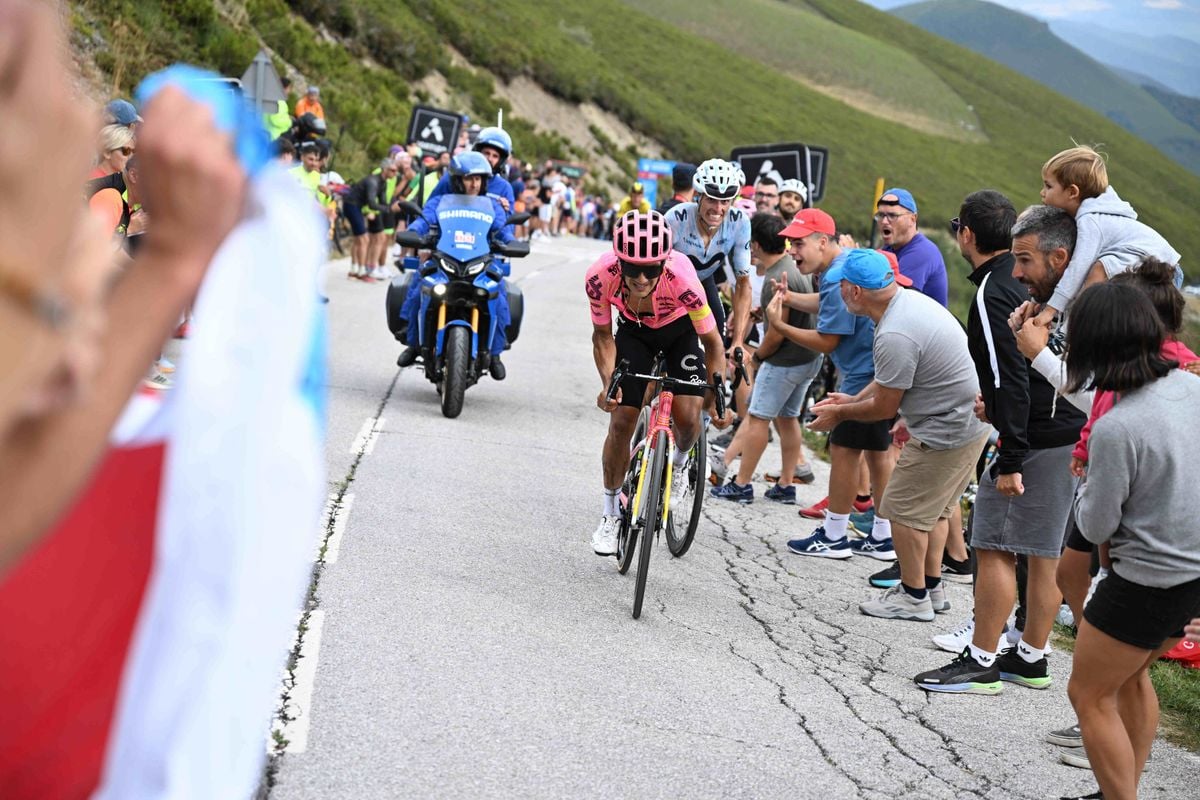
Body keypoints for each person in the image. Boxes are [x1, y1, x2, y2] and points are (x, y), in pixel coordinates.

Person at [915, 192, 1085, 693]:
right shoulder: (1049, 285)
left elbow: (1007, 371)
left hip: (1031, 437)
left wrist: (1009, 451)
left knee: (993, 546)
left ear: (966, 234)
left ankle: (981, 658)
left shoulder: (995, 289)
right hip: (1064, 428)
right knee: (1043, 551)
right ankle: (1031, 657)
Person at [1064, 283, 1200, 800]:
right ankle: (1122, 787)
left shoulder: (1118, 428)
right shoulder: (1193, 388)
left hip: (1143, 582)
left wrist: (1084, 482)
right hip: (1191, 577)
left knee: (1090, 694)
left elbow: (1096, 527)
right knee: (1130, 679)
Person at [806, 250, 991, 621]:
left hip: (950, 425)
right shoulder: (904, 306)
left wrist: (840, 414)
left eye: (841, 284)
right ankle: (931, 588)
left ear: (855, 292)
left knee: (901, 511)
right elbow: (891, 378)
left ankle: (913, 597)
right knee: (934, 513)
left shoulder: (894, 331)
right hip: (966, 421)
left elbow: (885, 408)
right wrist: (853, 398)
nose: (837, 289)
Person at [587, 210, 731, 555]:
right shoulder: (599, 276)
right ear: (618, 260)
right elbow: (603, 337)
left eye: (650, 269)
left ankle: (680, 465)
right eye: (631, 268)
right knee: (621, 421)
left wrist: (719, 390)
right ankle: (610, 515)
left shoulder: (683, 278)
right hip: (635, 332)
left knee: (687, 415)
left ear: (664, 262)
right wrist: (610, 383)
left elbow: (712, 343)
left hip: (680, 332)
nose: (640, 278)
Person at [710, 214, 820, 505]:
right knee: (787, 419)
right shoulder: (793, 268)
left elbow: (776, 335)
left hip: (784, 361)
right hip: (808, 358)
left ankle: (742, 484)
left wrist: (755, 357)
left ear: (755, 245)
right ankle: (786, 484)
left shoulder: (774, 279)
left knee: (758, 418)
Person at [1031, 145, 1182, 330]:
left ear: (1072, 192)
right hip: (1160, 264)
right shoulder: (1093, 215)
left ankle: (1070, 332)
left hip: (1161, 266)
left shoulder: (1091, 221)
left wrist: (1050, 310)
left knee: (1098, 270)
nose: (1042, 192)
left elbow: (1078, 268)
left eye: (1048, 186)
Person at [396, 151, 513, 379]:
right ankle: (413, 344)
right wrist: (412, 232)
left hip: (480, 262)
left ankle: (495, 354)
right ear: (458, 180)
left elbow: (503, 229)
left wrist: (511, 242)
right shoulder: (441, 202)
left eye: (478, 179)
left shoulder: (492, 205)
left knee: (499, 298)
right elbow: (425, 220)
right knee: (418, 286)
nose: (474, 184)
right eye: (469, 178)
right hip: (444, 259)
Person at [664, 158, 752, 353]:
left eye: (725, 201)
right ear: (699, 196)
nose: (718, 209)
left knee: (717, 347)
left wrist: (737, 341)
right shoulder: (676, 217)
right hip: (670, 285)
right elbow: (654, 269)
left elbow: (743, 284)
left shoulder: (740, 223)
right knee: (666, 349)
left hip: (704, 282)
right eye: (711, 199)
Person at [877, 187, 949, 307]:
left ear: (912, 219)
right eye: (880, 215)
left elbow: (889, 301)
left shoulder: (922, 252)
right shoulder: (890, 248)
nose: (884, 221)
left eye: (892, 215)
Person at [343, 159, 399, 282]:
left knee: (359, 239)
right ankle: (363, 272)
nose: (395, 174)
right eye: (393, 170)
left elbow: (383, 202)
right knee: (364, 239)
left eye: (396, 171)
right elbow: (372, 203)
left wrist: (391, 208)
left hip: (356, 206)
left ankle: (354, 270)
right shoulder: (373, 181)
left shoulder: (383, 182)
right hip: (351, 205)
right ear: (385, 169)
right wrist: (390, 208)